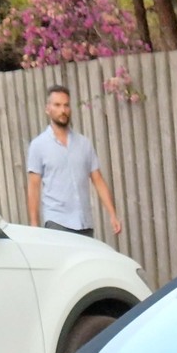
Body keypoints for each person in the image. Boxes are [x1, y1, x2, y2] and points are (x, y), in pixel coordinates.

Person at [24, 87, 122, 240]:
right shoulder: (38, 145)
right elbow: (33, 187)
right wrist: (34, 226)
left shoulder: (84, 144)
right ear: (47, 109)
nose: (63, 110)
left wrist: (113, 215)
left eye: (66, 105)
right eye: (57, 105)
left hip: (84, 223)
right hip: (57, 223)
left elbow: (98, 180)